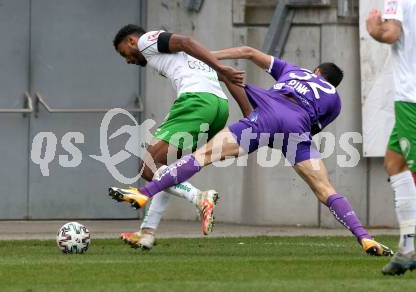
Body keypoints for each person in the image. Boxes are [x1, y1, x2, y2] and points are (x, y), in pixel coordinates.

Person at [109, 44, 393, 257]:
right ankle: (365, 237)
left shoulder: (294, 70)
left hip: (268, 111)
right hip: (298, 126)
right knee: (325, 190)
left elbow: (247, 51)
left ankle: (142, 193)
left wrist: (211, 58)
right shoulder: (335, 99)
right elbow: (311, 128)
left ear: (316, 71)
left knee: (202, 155)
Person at [111, 24, 251, 249]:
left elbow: (186, 41)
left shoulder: (146, 40)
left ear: (130, 42)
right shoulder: (188, 58)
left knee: (147, 167)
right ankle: (147, 233)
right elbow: (228, 80)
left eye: (123, 54)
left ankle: (198, 196)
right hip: (218, 107)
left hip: (196, 102)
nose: (127, 60)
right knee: (165, 169)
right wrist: (249, 115)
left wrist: (222, 68)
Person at [366, 0, 416, 275]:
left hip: (412, 100)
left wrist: (374, 27)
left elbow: (391, 33)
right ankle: (407, 247)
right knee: (395, 162)